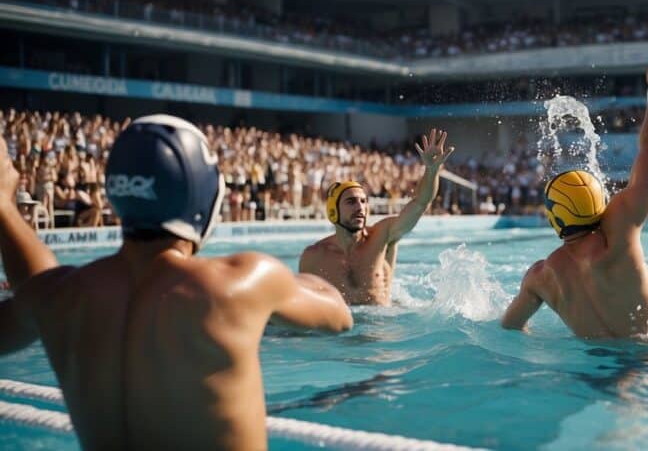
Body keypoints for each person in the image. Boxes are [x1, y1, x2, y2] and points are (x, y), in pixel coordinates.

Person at [0, 115, 352, 450]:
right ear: (204, 193)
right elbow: (338, 315)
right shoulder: (239, 281)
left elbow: (36, 283)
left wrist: (4, 206)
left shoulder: (59, 298)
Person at [501, 42, 648, 338]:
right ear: (601, 203)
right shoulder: (618, 234)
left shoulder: (541, 278)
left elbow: (510, 328)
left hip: (594, 373)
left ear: (553, 216)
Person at [299, 128, 454, 305]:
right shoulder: (314, 256)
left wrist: (432, 170)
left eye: (364, 201)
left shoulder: (383, 237)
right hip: (340, 329)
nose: (360, 207)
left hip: (381, 328)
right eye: (351, 202)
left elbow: (420, 203)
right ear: (333, 211)